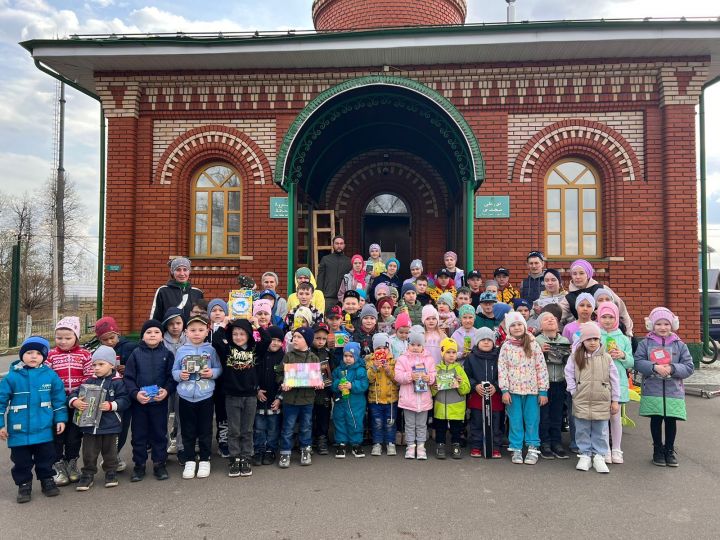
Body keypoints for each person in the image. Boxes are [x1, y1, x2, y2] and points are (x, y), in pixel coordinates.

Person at [0, 337, 67, 503]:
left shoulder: (50, 376)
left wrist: (60, 419)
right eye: (29, 352)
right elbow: (0, 401)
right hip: (19, 431)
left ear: (44, 357)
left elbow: (59, 399)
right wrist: (1, 424)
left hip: (44, 429)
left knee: (46, 457)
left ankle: (47, 481)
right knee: (21, 461)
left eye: (38, 353)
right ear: (22, 354)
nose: (34, 356)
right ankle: (24, 485)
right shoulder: (12, 377)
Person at [634, 307, 694, 467]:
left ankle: (669, 449)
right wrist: (654, 367)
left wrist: (673, 369)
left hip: (673, 391)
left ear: (672, 324)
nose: (662, 327)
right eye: (658, 324)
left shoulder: (679, 344)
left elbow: (689, 366)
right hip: (653, 390)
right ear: (652, 325)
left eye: (666, 324)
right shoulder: (645, 343)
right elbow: (638, 362)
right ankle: (657, 450)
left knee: (671, 421)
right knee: (656, 419)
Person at [213, 318, 269, 477]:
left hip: (250, 396)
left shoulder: (254, 350)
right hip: (232, 396)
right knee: (234, 430)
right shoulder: (227, 349)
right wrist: (225, 324)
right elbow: (216, 340)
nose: (238, 337)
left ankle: (245, 457)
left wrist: (256, 324)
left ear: (249, 335)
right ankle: (234, 458)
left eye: (242, 334)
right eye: (235, 334)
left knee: (247, 429)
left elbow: (267, 340)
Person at [69, 346, 130, 491]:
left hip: (110, 425)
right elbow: (74, 394)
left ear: (111, 365)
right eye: (94, 365)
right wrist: (75, 401)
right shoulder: (89, 381)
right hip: (90, 426)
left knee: (110, 452)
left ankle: (110, 472)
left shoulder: (118, 382)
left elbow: (125, 400)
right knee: (89, 452)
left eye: (101, 364)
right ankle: (87, 475)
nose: (96, 368)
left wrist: (111, 405)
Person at [123, 319, 175, 482]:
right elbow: (128, 378)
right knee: (139, 435)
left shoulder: (167, 354)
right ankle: (139, 465)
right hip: (140, 404)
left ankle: (159, 463)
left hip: (159, 403)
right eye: (148, 332)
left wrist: (166, 391)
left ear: (162, 337)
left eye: (156, 332)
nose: (152, 335)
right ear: (142, 336)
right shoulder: (136, 354)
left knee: (159, 434)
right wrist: (135, 394)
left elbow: (171, 378)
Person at [565, 323, 620, 473]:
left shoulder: (606, 358)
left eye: (595, 338)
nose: (593, 342)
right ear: (583, 341)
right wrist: (573, 391)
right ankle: (585, 455)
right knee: (581, 428)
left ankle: (599, 456)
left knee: (600, 429)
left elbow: (614, 379)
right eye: (589, 339)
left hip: (601, 400)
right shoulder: (576, 356)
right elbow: (569, 373)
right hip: (581, 399)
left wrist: (615, 400)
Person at [173, 316, 222, 480]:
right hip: (186, 396)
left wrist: (212, 373)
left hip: (205, 396)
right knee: (187, 430)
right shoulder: (181, 350)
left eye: (201, 330)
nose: (196, 333)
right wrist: (180, 375)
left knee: (205, 430)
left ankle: (205, 459)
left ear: (207, 331)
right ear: (186, 332)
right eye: (192, 330)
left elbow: (218, 368)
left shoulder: (211, 350)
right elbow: (174, 371)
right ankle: (189, 460)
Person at [46, 316, 93, 487]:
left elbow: (88, 377)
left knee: (74, 436)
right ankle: (58, 465)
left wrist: (77, 396)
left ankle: (72, 463)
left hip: (77, 402)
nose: (63, 341)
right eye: (59, 338)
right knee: (57, 435)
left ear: (76, 337)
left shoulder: (85, 355)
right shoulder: (50, 356)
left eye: (68, 337)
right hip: (57, 405)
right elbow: (46, 378)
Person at [498, 312, 549, 465]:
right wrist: (504, 390)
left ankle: (533, 447)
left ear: (525, 326)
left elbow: (541, 368)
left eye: (519, 324)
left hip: (532, 391)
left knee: (532, 420)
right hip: (513, 392)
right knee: (515, 420)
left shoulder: (533, 344)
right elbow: (502, 369)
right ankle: (516, 448)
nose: (517, 327)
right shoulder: (506, 347)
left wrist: (543, 391)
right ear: (508, 329)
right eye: (513, 325)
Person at [94, 316, 137, 472]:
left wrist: (128, 369)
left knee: (124, 426)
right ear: (100, 340)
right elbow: (94, 371)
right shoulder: (99, 353)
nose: (110, 342)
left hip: (126, 394)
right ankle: (110, 456)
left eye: (112, 337)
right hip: (107, 396)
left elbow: (139, 366)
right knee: (110, 427)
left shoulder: (131, 347)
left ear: (118, 333)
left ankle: (115, 455)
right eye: (105, 340)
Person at [277, 327, 322, 468]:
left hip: (307, 400)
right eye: (294, 336)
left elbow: (318, 377)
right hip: (290, 400)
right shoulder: (288, 356)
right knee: (288, 427)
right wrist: (283, 383)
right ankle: (285, 452)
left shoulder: (313, 358)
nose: (295, 339)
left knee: (306, 427)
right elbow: (279, 374)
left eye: (299, 337)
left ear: (307, 341)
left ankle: (305, 449)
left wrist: (319, 383)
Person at [597, 302, 634, 464]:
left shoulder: (624, 338)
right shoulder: (595, 335)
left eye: (611, 317)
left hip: (617, 382)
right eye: (604, 317)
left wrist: (623, 355)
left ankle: (617, 449)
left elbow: (631, 362)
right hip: (599, 381)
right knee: (602, 417)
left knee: (615, 416)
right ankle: (604, 448)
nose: (607, 320)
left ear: (617, 318)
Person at [559, 259, 633, 336]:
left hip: (610, 335)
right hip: (583, 337)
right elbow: (557, 317)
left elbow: (622, 311)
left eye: (581, 273)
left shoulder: (602, 289)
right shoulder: (568, 298)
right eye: (574, 274)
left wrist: (627, 332)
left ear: (588, 274)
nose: (577, 277)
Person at [395, 329, 436, 460]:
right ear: (408, 344)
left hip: (424, 400)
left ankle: (421, 446)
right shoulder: (402, 358)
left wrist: (428, 378)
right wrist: (409, 376)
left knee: (421, 425)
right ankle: (411, 446)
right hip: (408, 399)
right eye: (413, 344)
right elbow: (398, 376)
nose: (415, 347)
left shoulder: (429, 359)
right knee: (409, 424)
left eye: (418, 345)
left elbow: (434, 374)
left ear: (423, 346)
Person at [535, 312, 571, 459]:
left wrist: (568, 354)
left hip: (559, 382)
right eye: (546, 319)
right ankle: (544, 442)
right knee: (544, 415)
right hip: (544, 383)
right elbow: (531, 361)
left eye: (553, 319)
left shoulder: (564, 339)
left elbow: (570, 363)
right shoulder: (536, 341)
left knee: (557, 414)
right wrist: (540, 352)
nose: (550, 320)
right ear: (540, 325)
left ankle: (556, 442)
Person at [465, 328, 503, 458]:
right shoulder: (471, 357)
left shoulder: (499, 356)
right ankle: (476, 446)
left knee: (495, 423)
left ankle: (495, 447)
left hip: (495, 396)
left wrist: (496, 386)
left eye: (489, 340)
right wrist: (475, 386)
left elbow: (504, 374)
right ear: (477, 342)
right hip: (477, 396)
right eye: (483, 340)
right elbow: (466, 375)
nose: (486, 342)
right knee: (476, 422)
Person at [432, 338, 471, 459]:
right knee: (440, 428)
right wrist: (434, 387)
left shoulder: (459, 369)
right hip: (440, 407)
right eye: (448, 352)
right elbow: (431, 391)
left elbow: (467, 389)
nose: (451, 355)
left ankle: (456, 445)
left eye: (454, 352)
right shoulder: (437, 369)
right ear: (442, 353)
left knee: (456, 429)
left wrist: (460, 384)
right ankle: (440, 445)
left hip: (456, 407)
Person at [253, 326, 285, 466]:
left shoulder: (284, 357)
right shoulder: (259, 355)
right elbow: (252, 375)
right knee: (259, 427)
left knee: (273, 427)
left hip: (274, 400)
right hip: (260, 398)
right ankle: (259, 449)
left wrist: (279, 398)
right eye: (272, 340)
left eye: (279, 340)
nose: (275, 343)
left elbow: (286, 380)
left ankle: (270, 450)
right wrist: (257, 390)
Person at [332, 342, 369, 458]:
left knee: (355, 422)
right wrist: (338, 385)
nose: (348, 359)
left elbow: (364, 384)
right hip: (341, 402)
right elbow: (333, 382)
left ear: (356, 357)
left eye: (351, 356)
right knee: (340, 421)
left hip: (356, 403)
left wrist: (352, 385)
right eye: (346, 356)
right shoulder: (338, 370)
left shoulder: (361, 370)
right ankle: (341, 444)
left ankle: (356, 444)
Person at [366, 333, 399, 457]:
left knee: (391, 423)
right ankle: (377, 443)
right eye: (378, 348)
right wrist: (375, 367)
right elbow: (369, 379)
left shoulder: (393, 362)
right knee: (377, 423)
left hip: (391, 399)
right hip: (375, 400)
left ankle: (390, 443)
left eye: (384, 348)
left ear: (388, 349)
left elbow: (397, 379)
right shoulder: (370, 362)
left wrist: (388, 370)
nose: (382, 351)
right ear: (374, 350)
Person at [150, 257, 204, 322]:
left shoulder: (197, 293)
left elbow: (202, 317)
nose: (182, 273)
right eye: (178, 270)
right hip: (169, 331)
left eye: (185, 270)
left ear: (189, 271)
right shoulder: (163, 291)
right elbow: (155, 317)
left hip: (191, 331)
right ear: (172, 272)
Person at [311, 323, 333, 456]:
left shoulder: (328, 353)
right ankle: (309, 439)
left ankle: (322, 439)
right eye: (317, 338)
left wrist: (329, 383)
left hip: (324, 390)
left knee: (323, 416)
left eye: (323, 339)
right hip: (309, 391)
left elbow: (332, 370)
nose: (320, 341)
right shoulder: (307, 352)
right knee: (309, 416)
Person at [317, 235, 352, 310]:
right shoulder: (325, 259)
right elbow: (320, 278)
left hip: (344, 298)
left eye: (341, 243)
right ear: (333, 245)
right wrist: (320, 295)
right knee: (327, 319)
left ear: (344, 245)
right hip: (328, 297)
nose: (339, 246)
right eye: (337, 243)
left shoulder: (349, 261)